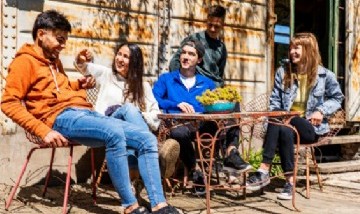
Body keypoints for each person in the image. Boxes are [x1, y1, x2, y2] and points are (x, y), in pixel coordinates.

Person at [0, 10, 179, 214]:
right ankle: (130, 206)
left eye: (65, 40)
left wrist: (78, 84)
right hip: (62, 118)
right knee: (115, 133)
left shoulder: (54, 61)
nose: (63, 45)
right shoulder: (24, 62)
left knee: (147, 139)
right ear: (41, 34)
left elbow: (60, 88)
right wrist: (43, 130)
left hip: (86, 113)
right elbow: (8, 103)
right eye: (59, 39)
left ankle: (159, 205)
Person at [246, 32, 344, 200]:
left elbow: (337, 98)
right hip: (284, 126)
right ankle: (289, 182)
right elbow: (275, 100)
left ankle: (263, 169)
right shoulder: (283, 72)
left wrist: (321, 111)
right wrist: (278, 115)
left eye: (296, 48)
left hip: (311, 127)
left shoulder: (325, 75)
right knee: (283, 126)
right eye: (291, 48)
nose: (292, 52)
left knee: (285, 119)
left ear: (309, 49)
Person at [153, 38, 251, 194]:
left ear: (198, 60)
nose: (185, 57)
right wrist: (175, 105)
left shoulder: (207, 83)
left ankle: (231, 153)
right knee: (179, 133)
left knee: (233, 104)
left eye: (191, 54)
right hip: (178, 124)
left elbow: (213, 104)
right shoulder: (167, 79)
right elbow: (153, 99)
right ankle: (195, 170)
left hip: (202, 124)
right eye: (183, 53)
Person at [74, 43, 180, 179]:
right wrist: (82, 57)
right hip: (107, 126)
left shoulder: (143, 86)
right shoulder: (107, 75)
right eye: (119, 54)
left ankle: (134, 185)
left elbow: (155, 113)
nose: (120, 59)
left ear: (135, 62)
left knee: (129, 134)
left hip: (128, 133)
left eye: (125, 57)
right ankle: (155, 153)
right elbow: (83, 67)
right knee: (128, 120)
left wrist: (139, 115)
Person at [169, 5, 227, 87]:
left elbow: (220, 74)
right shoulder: (194, 39)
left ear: (223, 25)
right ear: (207, 21)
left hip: (214, 92)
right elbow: (175, 62)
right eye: (210, 25)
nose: (212, 29)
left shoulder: (221, 48)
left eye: (216, 26)